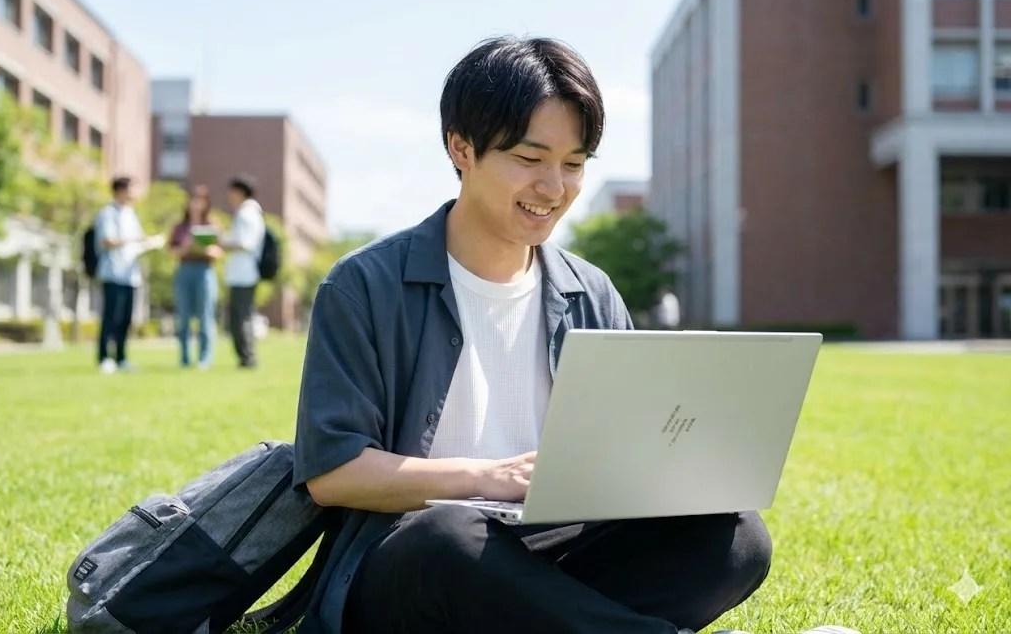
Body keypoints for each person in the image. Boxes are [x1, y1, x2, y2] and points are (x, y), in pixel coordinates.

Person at [293, 37, 854, 634]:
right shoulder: (365, 286)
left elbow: (634, 456)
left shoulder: (591, 291)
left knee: (736, 534)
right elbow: (334, 474)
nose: (554, 188)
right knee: (450, 535)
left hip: (552, 552)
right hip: (415, 559)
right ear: (461, 148)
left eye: (574, 163)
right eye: (530, 159)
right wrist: (485, 478)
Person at [94, 176, 162, 375]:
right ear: (120, 190)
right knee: (110, 317)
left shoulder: (131, 214)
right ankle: (104, 357)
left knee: (125, 318)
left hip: (130, 274)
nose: (134, 193)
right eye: (131, 189)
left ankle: (121, 357)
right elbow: (106, 240)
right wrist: (133, 240)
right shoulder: (107, 213)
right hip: (112, 272)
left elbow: (138, 241)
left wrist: (148, 243)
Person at [169, 185, 222, 369]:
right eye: (193, 199)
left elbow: (218, 251)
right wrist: (187, 245)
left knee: (205, 316)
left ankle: (205, 358)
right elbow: (172, 252)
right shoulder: (179, 227)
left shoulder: (212, 225)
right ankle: (184, 358)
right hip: (185, 270)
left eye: (201, 199)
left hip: (204, 271)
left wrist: (204, 248)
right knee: (183, 317)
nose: (197, 204)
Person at [220, 174, 265, 369]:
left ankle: (247, 358)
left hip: (244, 273)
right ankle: (245, 357)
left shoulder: (247, 214)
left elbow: (245, 243)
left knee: (242, 317)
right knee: (239, 316)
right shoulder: (247, 213)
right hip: (241, 273)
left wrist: (222, 242)